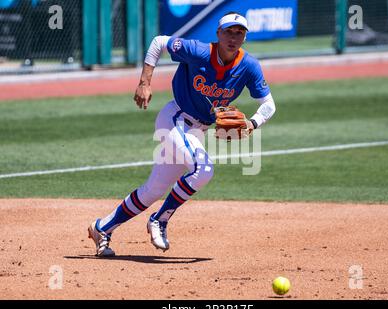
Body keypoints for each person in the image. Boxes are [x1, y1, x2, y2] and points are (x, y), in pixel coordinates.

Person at [88, 12, 276, 256]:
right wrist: (145, 82)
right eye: (228, 31)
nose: (233, 37)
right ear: (218, 34)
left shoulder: (249, 66)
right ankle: (160, 219)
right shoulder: (198, 51)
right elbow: (158, 42)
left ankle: (102, 227)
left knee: (154, 190)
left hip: (195, 131)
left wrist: (253, 123)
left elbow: (269, 104)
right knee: (204, 169)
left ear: (245, 37)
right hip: (174, 119)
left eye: (239, 32)